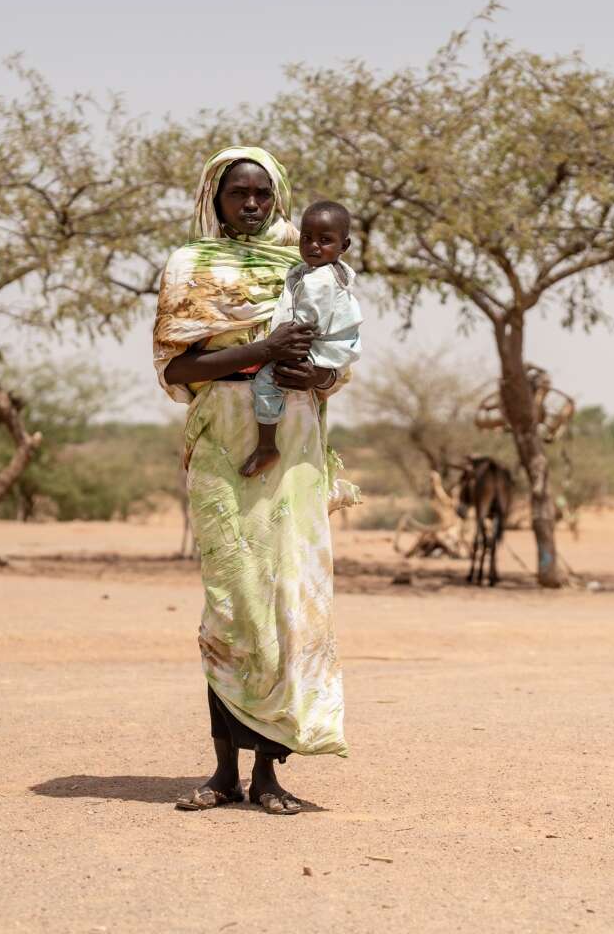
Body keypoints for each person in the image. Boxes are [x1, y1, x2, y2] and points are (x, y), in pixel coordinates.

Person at [153, 146, 350, 815]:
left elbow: (340, 354)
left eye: (263, 194)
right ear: (215, 197)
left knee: (289, 603)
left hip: (293, 447)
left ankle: (269, 773)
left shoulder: (310, 262)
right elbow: (178, 370)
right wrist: (262, 351)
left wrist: (317, 376)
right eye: (239, 193)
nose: (252, 205)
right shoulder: (189, 266)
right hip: (222, 449)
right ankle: (221, 773)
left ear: (280, 197)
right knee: (232, 605)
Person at [242, 200, 362, 478]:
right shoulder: (331, 273)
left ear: (344, 246)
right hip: (328, 352)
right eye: (306, 238)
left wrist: (279, 349)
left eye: (325, 240)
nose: (313, 246)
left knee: (265, 382)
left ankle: (266, 445)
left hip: (309, 351)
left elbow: (307, 322)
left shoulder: (318, 279)